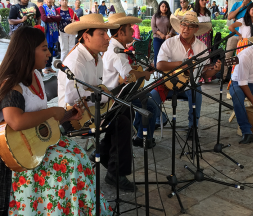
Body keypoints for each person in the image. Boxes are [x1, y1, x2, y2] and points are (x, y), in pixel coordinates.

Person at [0, 26, 113, 215]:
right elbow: (15, 121)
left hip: (29, 143)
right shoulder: (11, 83)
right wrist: (52, 112)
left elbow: (36, 120)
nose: (49, 53)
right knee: (71, 163)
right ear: (27, 51)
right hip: (8, 152)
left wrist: (67, 116)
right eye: (44, 49)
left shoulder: (35, 74)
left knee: (79, 156)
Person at [59, 13, 139, 192]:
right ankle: (116, 173)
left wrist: (105, 95)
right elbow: (73, 99)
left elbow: (97, 88)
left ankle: (107, 157)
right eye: (102, 34)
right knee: (122, 123)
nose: (107, 37)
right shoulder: (76, 60)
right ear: (86, 36)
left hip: (94, 107)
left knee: (127, 110)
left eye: (106, 33)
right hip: (74, 115)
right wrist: (107, 96)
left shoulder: (97, 57)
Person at [150, 11, 222, 139]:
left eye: (190, 26)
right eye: (183, 25)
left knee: (197, 91)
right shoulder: (170, 42)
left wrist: (215, 70)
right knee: (151, 97)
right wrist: (183, 64)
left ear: (196, 29)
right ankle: (154, 125)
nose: (186, 29)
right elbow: (159, 65)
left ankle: (192, 126)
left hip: (189, 86)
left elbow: (205, 74)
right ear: (179, 25)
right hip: (169, 84)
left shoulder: (202, 47)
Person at [103, 13, 159, 147]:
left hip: (118, 91)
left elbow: (125, 70)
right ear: (121, 32)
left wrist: (140, 70)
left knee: (146, 97)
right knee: (150, 105)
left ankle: (139, 131)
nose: (133, 30)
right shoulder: (117, 53)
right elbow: (128, 75)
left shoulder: (115, 47)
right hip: (115, 95)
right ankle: (143, 138)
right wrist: (145, 73)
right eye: (129, 28)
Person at [224, 0, 251, 81]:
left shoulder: (252, 5)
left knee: (242, 58)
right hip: (233, 34)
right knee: (227, 56)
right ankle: (223, 77)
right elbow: (229, 17)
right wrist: (241, 6)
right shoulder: (237, 4)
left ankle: (239, 77)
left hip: (245, 37)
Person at [151, 1, 175, 78]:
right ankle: (156, 71)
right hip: (157, 38)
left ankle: (163, 71)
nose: (164, 8)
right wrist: (160, 34)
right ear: (159, 7)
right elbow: (153, 27)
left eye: (166, 6)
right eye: (162, 6)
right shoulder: (155, 16)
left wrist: (169, 34)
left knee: (166, 55)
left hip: (167, 39)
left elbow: (173, 27)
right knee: (157, 54)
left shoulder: (170, 16)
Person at [39, 0, 61, 74]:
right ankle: (44, 67)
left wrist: (50, 17)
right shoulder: (42, 8)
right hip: (47, 32)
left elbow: (59, 18)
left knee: (51, 49)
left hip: (54, 31)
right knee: (46, 49)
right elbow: (44, 18)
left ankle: (49, 66)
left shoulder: (55, 8)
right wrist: (54, 17)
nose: (49, 0)